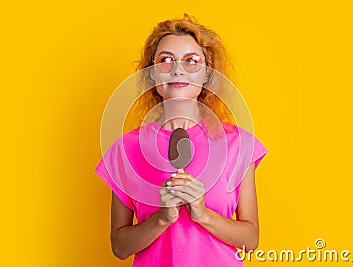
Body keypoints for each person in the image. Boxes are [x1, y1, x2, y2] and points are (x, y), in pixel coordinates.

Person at [95, 14, 268, 266]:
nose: (177, 69)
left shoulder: (238, 145)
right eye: (166, 60)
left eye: (191, 61)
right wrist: (162, 218)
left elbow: (251, 240)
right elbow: (119, 247)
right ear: (152, 74)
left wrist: (203, 214)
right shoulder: (127, 150)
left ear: (207, 75)